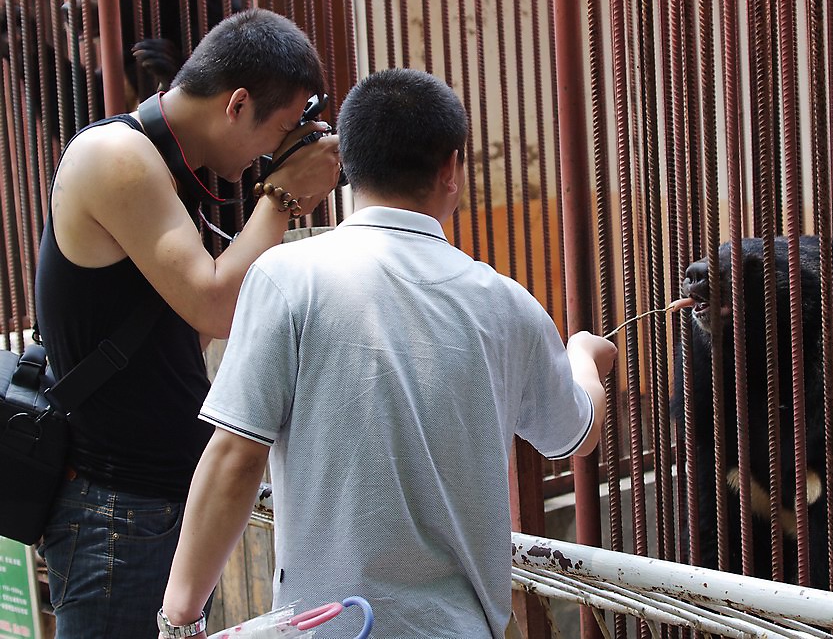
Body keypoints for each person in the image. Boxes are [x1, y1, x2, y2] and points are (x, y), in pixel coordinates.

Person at [160, 67, 618, 637]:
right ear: (451, 168)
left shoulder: (286, 278)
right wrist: (583, 357)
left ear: (346, 163)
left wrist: (179, 618)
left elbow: (235, 456)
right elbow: (574, 433)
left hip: (331, 629)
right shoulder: (506, 306)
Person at [33, 8, 341, 638]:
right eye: (278, 129)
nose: (271, 152)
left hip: (150, 503)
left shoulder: (178, 171)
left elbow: (180, 334)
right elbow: (217, 307)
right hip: (114, 512)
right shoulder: (116, 155)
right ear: (236, 105)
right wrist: (281, 197)